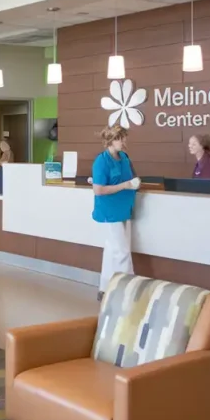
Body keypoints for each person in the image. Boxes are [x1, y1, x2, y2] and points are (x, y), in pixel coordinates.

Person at [91, 125, 141, 294]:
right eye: (120, 138)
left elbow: (132, 177)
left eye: (123, 137)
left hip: (124, 209)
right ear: (110, 141)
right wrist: (125, 185)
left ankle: (105, 288)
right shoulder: (101, 161)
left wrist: (134, 183)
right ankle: (128, 291)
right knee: (122, 252)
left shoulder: (125, 158)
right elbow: (98, 190)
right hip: (110, 212)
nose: (123, 141)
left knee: (113, 249)